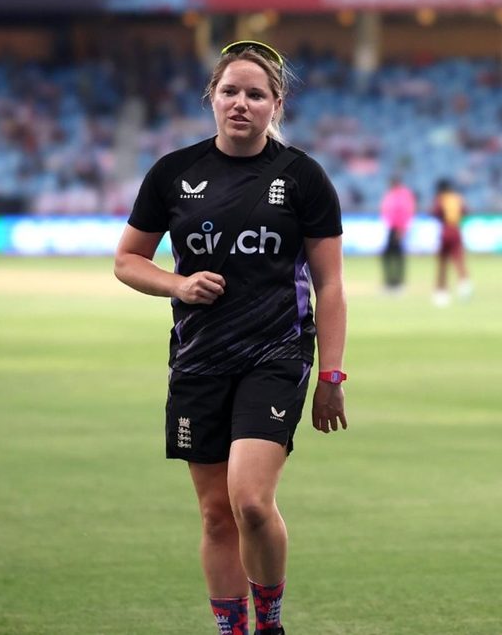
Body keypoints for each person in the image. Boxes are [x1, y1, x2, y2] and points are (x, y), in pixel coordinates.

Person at [113, 40, 348, 635]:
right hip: (198, 362)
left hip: (276, 355)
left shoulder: (301, 177)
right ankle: (232, 630)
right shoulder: (173, 173)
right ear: (211, 98)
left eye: (255, 94)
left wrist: (331, 376)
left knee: (248, 500)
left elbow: (331, 286)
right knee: (217, 516)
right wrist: (178, 284)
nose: (241, 103)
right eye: (230, 92)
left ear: (276, 104)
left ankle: (269, 622)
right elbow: (126, 261)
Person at [431, 177, 471, 307]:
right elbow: (465, 211)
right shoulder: (457, 198)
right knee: (458, 259)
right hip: (456, 230)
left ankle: (441, 292)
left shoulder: (441, 199)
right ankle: (464, 286)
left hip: (445, 231)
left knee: (442, 263)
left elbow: (434, 212)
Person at [378, 174, 415, 294]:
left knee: (395, 256)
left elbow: (405, 212)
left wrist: (401, 229)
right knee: (391, 256)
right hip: (393, 228)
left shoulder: (402, 195)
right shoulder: (394, 194)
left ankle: (396, 282)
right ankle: (392, 281)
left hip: (397, 229)